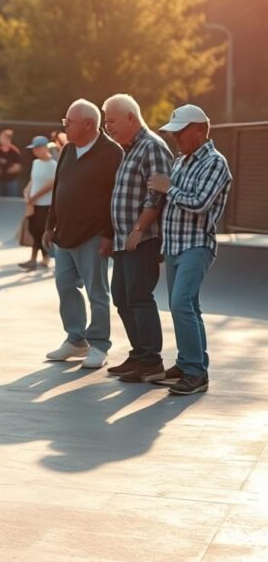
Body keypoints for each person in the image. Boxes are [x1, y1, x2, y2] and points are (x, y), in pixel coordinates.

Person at [147, 104, 232, 395]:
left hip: (196, 245)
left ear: (199, 130)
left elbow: (199, 203)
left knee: (181, 304)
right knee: (186, 306)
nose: (175, 138)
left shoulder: (215, 162)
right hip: (174, 245)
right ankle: (187, 365)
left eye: (180, 132)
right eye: (173, 133)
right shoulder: (182, 160)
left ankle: (196, 372)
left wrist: (167, 187)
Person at [42, 99, 123, 370]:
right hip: (64, 234)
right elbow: (59, 189)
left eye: (70, 122)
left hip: (93, 236)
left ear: (89, 124)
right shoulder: (67, 150)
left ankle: (99, 344)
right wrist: (49, 226)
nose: (64, 126)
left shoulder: (112, 152)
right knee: (65, 286)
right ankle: (76, 340)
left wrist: (108, 234)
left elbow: (115, 197)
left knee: (97, 292)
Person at [100, 94, 174, 383]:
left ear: (131, 117)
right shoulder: (129, 148)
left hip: (142, 239)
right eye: (106, 122)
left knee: (139, 297)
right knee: (121, 296)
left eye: (111, 121)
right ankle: (139, 353)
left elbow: (156, 195)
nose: (108, 128)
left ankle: (151, 361)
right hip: (123, 240)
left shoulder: (152, 147)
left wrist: (139, 229)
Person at [19, 136, 57, 270]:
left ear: (45, 148)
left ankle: (45, 258)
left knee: (42, 231)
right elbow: (33, 180)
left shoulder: (53, 165)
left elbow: (51, 184)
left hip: (46, 204)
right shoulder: (36, 163)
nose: (35, 151)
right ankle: (34, 258)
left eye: (37, 148)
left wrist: (35, 196)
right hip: (33, 203)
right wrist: (27, 191)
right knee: (33, 229)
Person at [0, 129, 22, 197]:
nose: (1, 139)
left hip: (11, 182)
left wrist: (5, 170)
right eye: (0, 138)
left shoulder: (15, 152)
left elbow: (17, 167)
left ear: (8, 139)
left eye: (2, 138)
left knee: (11, 201)